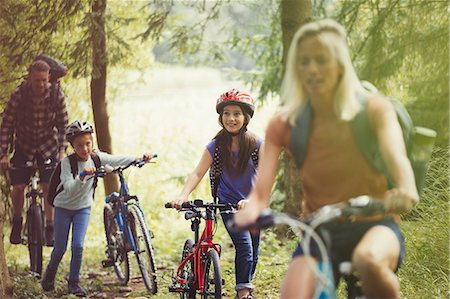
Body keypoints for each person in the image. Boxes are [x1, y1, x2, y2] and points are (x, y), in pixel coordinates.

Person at [234, 19, 419, 299]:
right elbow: (260, 195)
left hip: (375, 224)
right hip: (319, 232)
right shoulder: (284, 123)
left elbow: (400, 166)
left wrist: (404, 192)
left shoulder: (374, 110)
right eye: (304, 61)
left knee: (368, 260)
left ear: (340, 64)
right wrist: (252, 209)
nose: (312, 69)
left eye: (321, 59)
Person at [40, 120, 154, 296]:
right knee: (61, 247)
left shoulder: (96, 158)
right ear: (72, 146)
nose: (85, 149)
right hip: (63, 207)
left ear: (92, 142)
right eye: (79, 146)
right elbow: (69, 188)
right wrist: (82, 176)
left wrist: (139, 158)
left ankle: (74, 282)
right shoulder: (67, 163)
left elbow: (118, 159)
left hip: (82, 209)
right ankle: (50, 273)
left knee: (78, 245)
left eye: (88, 144)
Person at [170, 89, 263, 299]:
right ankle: (243, 294)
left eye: (237, 114)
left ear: (246, 117)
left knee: (254, 252)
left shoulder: (256, 144)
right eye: (226, 113)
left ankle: (245, 284)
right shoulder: (216, 146)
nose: (231, 118)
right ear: (221, 117)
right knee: (245, 246)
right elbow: (197, 173)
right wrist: (183, 195)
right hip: (228, 205)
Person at [0, 59, 69, 246]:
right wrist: (3, 154)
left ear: (48, 79)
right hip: (24, 145)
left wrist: (62, 152)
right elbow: (6, 125)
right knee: (19, 186)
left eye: (43, 80)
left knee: (48, 185)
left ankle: (49, 226)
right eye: (36, 80)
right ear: (30, 78)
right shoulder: (19, 95)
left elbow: (63, 126)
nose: (40, 84)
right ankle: (17, 220)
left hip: (48, 145)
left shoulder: (56, 95)